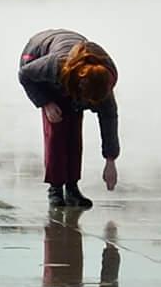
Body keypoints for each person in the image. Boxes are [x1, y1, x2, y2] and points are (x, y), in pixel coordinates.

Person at [18, 28, 120, 210]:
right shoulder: (56, 65)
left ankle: (72, 188)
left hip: (72, 71)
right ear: (80, 84)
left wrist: (110, 161)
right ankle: (55, 189)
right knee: (57, 128)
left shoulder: (103, 85)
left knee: (73, 128)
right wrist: (46, 103)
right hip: (36, 55)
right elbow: (25, 75)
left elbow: (109, 120)